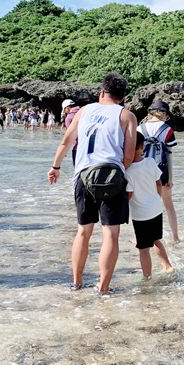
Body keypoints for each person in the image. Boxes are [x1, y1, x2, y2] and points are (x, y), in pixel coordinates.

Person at [48, 72, 137, 295]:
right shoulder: (127, 116)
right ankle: (103, 288)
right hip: (112, 176)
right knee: (110, 234)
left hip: (83, 175)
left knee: (82, 232)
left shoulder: (85, 110)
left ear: (101, 93)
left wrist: (55, 167)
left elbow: (66, 141)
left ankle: (76, 283)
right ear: (123, 96)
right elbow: (128, 155)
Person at [126, 132, 173, 279]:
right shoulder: (151, 162)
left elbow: (130, 195)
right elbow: (158, 183)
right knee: (155, 240)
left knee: (143, 248)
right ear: (142, 146)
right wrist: (156, 198)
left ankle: (147, 277)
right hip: (155, 208)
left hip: (140, 214)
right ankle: (167, 266)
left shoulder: (128, 171)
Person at [140, 100, 180, 243]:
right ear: (162, 113)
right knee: (168, 206)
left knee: (145, 205)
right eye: (166, 114)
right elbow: (169, 154)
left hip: (143, 172)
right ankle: (175, 237)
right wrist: (170, 179)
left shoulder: (140, 129)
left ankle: (145, 236)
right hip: (161, 172)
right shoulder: (167, 129)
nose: (166, 117)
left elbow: (135, 153)